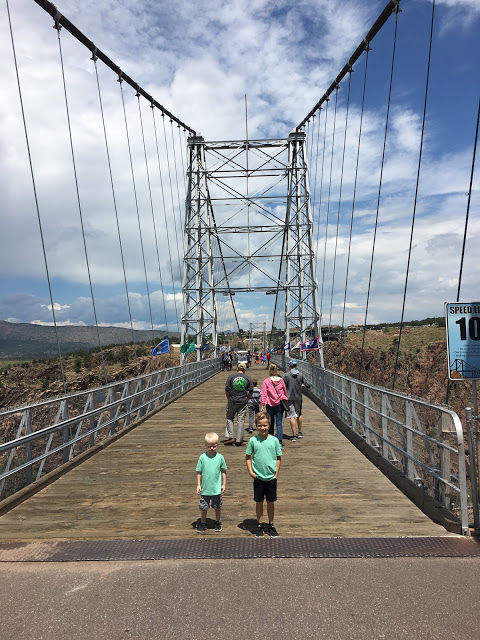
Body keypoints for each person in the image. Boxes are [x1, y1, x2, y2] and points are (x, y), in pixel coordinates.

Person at [246, 411, 282, 537]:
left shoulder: (274, 440)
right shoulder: (253, 441)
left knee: (271, 502)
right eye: (260, 425)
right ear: (256, 425)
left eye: (265, 425)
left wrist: (276, 474)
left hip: (271, 477)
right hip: (258, 477)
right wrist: (251, 472)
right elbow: (248, 457)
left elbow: (278, 458)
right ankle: (260, 524)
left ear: (269, 425)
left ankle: (271, 524)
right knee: (259, 502)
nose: (263, 428)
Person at [196, 432, 227, 533]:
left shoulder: (220, 457)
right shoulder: (202, 457)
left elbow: (223, 471)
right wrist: (198, 485)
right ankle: (203, 522)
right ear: (205, 445)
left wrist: (223, 484)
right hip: (205, 488)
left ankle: (218, 521)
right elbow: (199, 472)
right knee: (203, 507)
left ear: (217, 445)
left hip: (216, 488)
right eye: (209, 446)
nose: (212, 448)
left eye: (214, 446)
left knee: (217, 506)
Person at [224, 363, 253, 446]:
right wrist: (247, 399)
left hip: (232, 400)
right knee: (240, 420)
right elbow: (251, 391)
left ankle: (230, 436)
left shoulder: (231, 377)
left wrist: (228, 398)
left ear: (237, 368)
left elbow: (227, 389)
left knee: (230, 418)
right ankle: (239, 440)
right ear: (244, 369)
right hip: (243, 401)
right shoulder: (247, 378)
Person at [260, 363, 288, 449]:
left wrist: (262, 404)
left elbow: (264, 393)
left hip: (269, 404)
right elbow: (284, 391)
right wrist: (285, 399)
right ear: (276, 371)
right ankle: (279, 442)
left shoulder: (266, 381)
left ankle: (270, 440)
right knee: (279, 423)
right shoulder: (281, 380)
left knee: (270, 423)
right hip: (279, 404)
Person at [283, 358, 309, 440]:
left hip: (289, 397)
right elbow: (307, 384)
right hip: (298, 397)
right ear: (296, 365)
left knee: (291, 416)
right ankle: (300, 432)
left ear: (289, 366)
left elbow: (282, 386)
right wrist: (303, 386)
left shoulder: (286, 375)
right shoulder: (300, 375)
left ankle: (294, 435)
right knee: (299, 414)